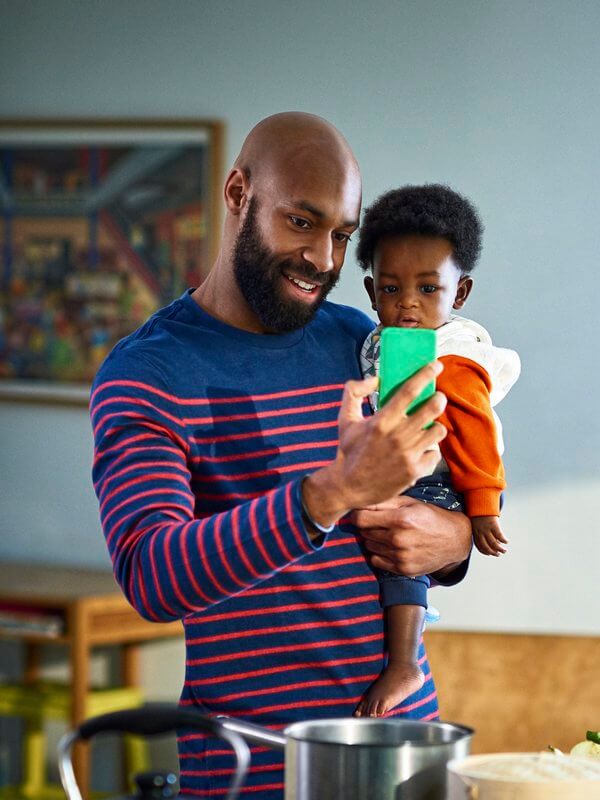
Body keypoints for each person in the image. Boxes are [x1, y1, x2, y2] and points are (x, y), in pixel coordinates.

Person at [90, 114, 472, 799]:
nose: (324, 259)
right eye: (301, 221)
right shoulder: (148, 373)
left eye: (342, 236)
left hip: (402, 747)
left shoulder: (361, 338)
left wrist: (453, 542)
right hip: (255, 765)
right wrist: (328, 494)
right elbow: (151, 576)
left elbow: (432, 496)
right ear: (239, 192)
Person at [355, 184, 521, 717]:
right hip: (403, 465)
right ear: (369, 289)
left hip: (436, 480)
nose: (407, 303)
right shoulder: (380, 340)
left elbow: (476, 430)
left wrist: (483, 505)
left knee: (399, 563)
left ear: (461, 291)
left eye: (429, 288)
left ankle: (403, 662)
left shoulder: (453, 355)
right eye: (390, 288)